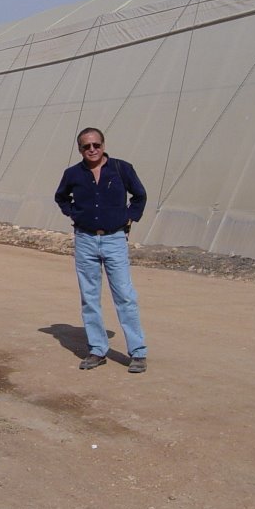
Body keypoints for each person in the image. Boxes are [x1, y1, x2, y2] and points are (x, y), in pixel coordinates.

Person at [54, 128, 148, 373]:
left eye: (96, 144)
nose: (92, 149)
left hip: (114, 239)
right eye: (87, 146)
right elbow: (61, 197)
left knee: (125, 296)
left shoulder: (121, 169)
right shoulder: (73, 174)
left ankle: (137, 352)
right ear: (80, 149)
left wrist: (129, 218)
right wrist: (75, 214)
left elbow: (139, 195)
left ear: (103, 145)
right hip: (85, 240)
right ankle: (97, 350)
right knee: (90, 297)